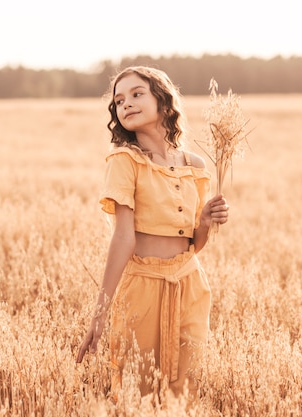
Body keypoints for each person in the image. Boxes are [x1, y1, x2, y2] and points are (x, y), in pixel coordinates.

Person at [76, 66, 229, 401]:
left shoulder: (195, 165)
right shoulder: (124, 160)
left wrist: (205, 221)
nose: (126, 103)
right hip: (141, 286)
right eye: (118, 100)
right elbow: (123, 237)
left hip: (189, 284)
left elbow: (194, 244)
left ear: (162, 100)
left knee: (183, 393)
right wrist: (99, 314)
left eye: (136, 94)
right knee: (138, 392)